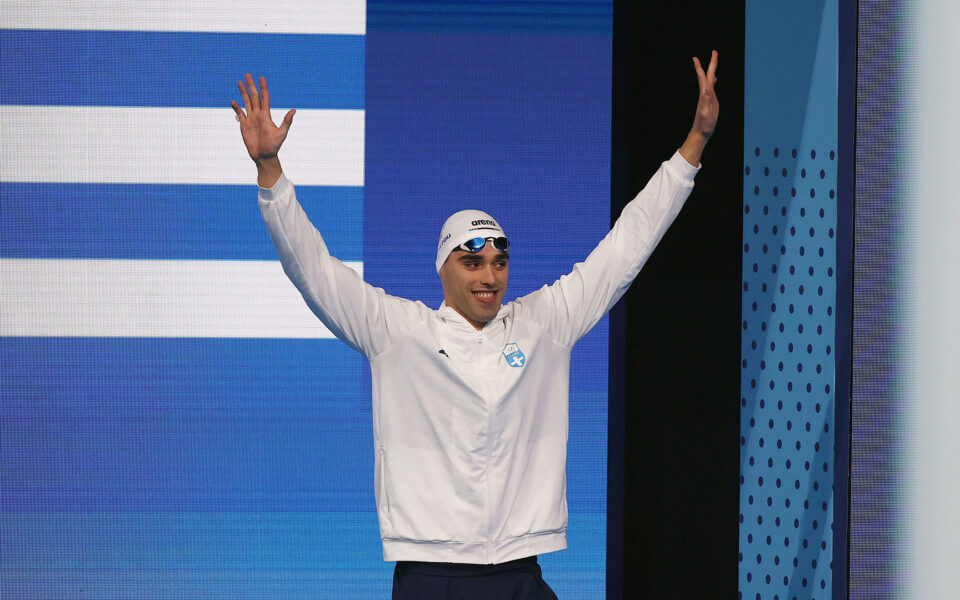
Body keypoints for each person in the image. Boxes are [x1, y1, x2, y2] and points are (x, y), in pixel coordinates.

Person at [231, 51, 719, 599]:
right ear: (443, 268)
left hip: (519, 572)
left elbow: (626, 246)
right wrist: (269, 172)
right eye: (472, 262)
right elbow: (313, 270)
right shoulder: (398, 332)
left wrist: (694, 145)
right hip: (430, 577)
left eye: (499, 262)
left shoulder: (544, 324)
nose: (490, 277)